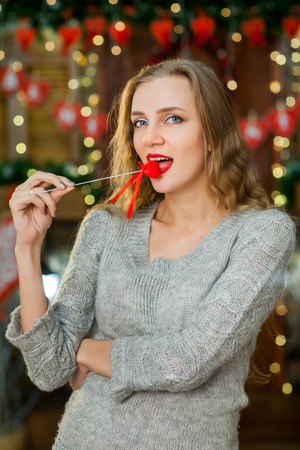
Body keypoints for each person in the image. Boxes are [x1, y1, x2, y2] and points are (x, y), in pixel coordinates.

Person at [6, 58, 295, 450]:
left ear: (212, 134)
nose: (150, 138)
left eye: (172, 119)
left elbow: (186, 360)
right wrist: (28, 247)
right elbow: (48, 369)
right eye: (140, 122)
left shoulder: (261, 234)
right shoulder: (104, 227)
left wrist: (83, 351)